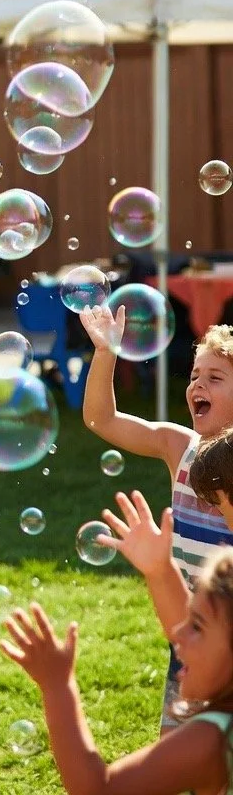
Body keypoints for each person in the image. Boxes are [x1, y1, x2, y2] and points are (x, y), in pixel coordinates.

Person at [80, 307, 233, 728]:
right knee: (178, 745)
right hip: (186, 625)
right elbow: (101, 419)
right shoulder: (178, 445)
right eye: (194, 376)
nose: (198, 383)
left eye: (215, 378)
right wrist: (105, 351)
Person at [0, 543, 233, 795]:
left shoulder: (211, 740)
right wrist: (159, 571)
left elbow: (98, 790)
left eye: (197, 626)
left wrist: (57, 684)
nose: (178, 632)